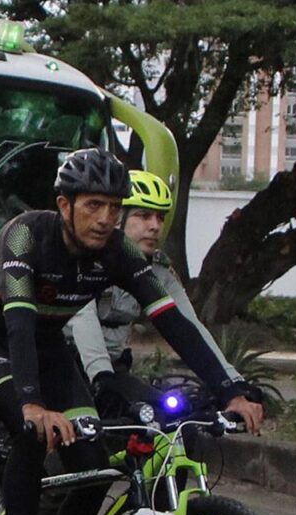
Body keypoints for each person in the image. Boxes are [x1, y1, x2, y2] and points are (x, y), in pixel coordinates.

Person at [0, 148, 262, 515]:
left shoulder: (116, 250)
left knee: (93, 463)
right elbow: (19, 328)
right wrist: (31, 404)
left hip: (47, 346)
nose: (106, 218)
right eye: (94, 205)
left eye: (114, 207)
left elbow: (173, 322)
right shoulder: (26, 235)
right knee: (33, 431)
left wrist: (228, 388)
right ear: (65, 204)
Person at [64, 169, 239, 413]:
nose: (155, 226)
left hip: (114, 371)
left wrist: (233, 384)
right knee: (83, 442)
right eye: (144, 216)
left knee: (174, 422)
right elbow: (84, 320)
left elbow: (190, 326)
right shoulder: (86, 260)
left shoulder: (158, 270)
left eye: (160, 217)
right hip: (65, 368)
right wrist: (102, 378)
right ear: (117, 218)